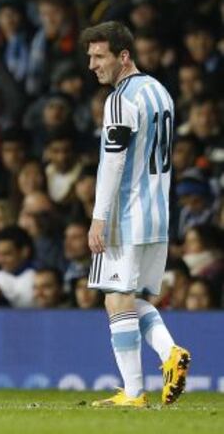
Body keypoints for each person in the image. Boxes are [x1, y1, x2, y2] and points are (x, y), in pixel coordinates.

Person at [81, 21, 190, 408]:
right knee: (125, 297)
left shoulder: (119, 99)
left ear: (123, 56)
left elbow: (113, 162)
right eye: (89, 56)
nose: (92, 64)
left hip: (126, 215)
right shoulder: (160, 92)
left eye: (99, 56)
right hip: (158, 213)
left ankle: (135, 391)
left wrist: (99, 217)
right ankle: (169, 356)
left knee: (116, 299)